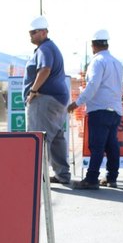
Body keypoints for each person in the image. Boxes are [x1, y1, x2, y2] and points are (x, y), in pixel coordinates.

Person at [67, 29, 123, 190]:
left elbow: (93, 85)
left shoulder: (97, 62)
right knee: (112, 145)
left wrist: (77, 103)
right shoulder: (117, 63)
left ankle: (92, 179)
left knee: (97, 146)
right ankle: (112, 178)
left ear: (93, 46)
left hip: (99, 110)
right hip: (115, 110)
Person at [24, 16, 72, 184]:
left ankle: (38, 177)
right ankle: (62, 174)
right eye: (30, 32)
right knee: (56, 138)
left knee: (39, 139)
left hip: (44, 99)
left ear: (44, 33)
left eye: (34, 32)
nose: (30, 35)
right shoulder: (49, 48)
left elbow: (45, 69)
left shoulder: (45, 49)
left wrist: (33, 90)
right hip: (57, 99)